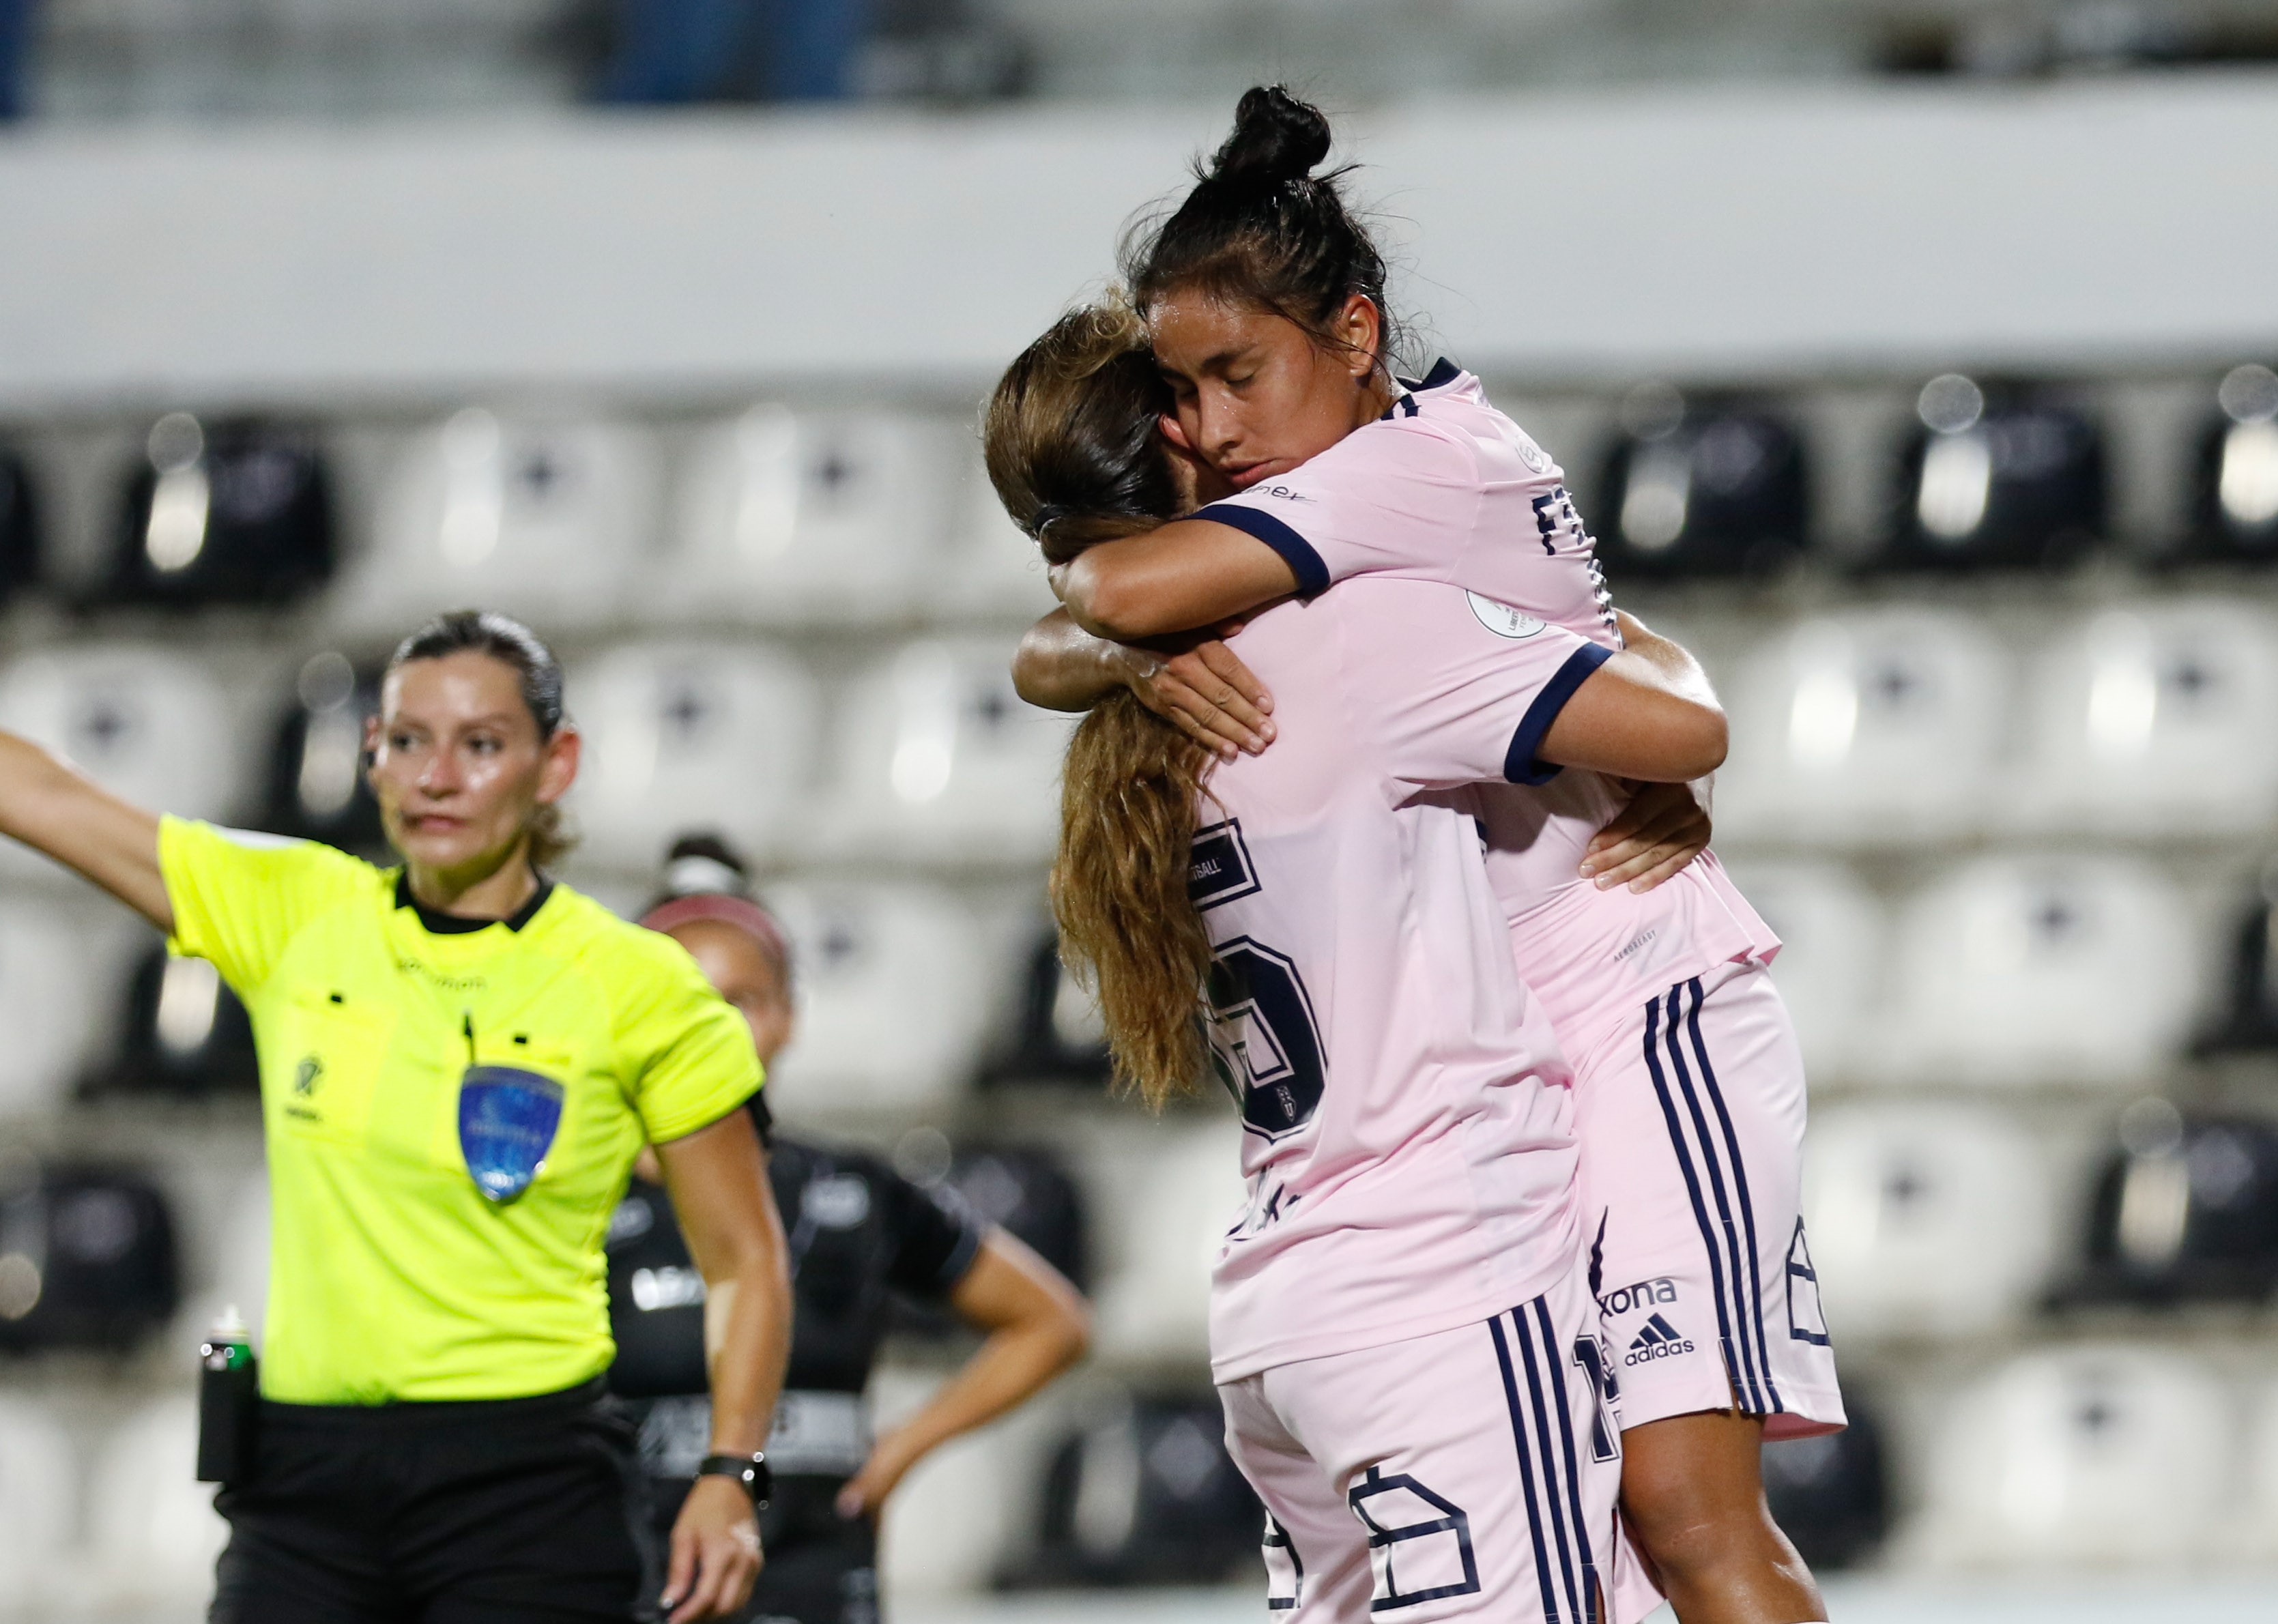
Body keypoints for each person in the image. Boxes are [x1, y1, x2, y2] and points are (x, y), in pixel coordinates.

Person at [1012, 87, 1838, 1624]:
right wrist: (1115, 657)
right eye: (1179, 392)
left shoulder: (1414, 471)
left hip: (1638, 996)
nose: (1209, 425)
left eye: (1235, 372)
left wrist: (1656, 677)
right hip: (1510, 1043)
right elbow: (1068, 640)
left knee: (1682, 1509)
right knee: (1601, 1546)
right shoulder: (1342, 522)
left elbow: (1098, 585)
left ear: (1357, 335)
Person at [0, 609, 790, 1624]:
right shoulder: (295, 911)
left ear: (554, 767)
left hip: (525, 1489)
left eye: (481, 745)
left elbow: (744, 1260)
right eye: (407, 741)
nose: (436, 776)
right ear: (372, 756)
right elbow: (40, 793)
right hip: (302, 1489)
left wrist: (734, 1473)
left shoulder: (639, 985)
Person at [608, 833, 1092, 1624]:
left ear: (789, 1017)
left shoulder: (851, 1189)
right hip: (637, 1585)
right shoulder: (578, 1196)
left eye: (741, 1001)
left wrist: (899, 1451)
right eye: (678, 1002)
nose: (709, 1028)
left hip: (818, 1585)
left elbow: (1050, 1322)